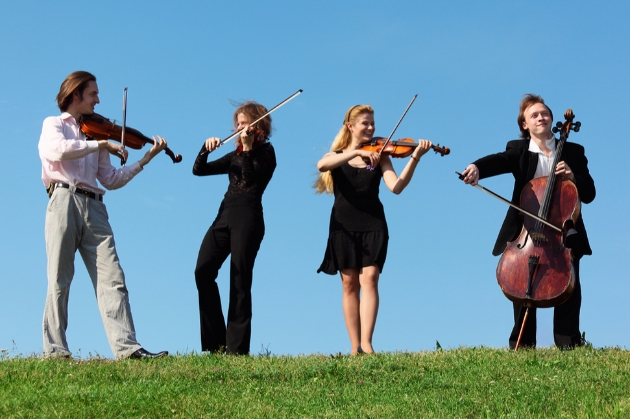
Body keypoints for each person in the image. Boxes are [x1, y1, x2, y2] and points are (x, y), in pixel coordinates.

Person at [38, 71, 169, 359]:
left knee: (113, 278)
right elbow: (58, 151)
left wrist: (144, 160)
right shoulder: (54, 125)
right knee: (59, 279)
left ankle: (127, 349)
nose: (98, 100)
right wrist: (101, 144)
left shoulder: (94, 132)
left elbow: (109, 179)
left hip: (95, 207)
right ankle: (56, 352)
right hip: (64, 200)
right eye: (93, 94)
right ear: (76, 95)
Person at [460, 94, 596, 349]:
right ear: (525, 124)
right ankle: (522, 344)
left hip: (562, 232)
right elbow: (499, 161)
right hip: (527, 229)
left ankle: (569, 342)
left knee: (569, 283)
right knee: (522, 281)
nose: (541, 117)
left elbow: (589, 194)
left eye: (544, 113)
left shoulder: (573, 151)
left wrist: (573, 176)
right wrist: (477, 167)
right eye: (534, 115)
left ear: (552, 119)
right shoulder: (519, 149)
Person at [315, 104, 432, 355]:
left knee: (370, 278)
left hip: (373, 224)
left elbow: (396, 187)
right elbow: (322, 165)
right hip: (343, 225)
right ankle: (353, 347)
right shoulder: (337, 155)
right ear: (351, 126)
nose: (371, 128)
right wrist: (355, 153)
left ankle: (366, 344)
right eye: (365, 123)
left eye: (372, 123)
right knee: (348, 284)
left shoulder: (382, 155)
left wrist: (415, 158)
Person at [193, 101, 276, 355]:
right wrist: (205, 149)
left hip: (248, 218)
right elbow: (199, 170)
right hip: (224, 216)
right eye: (237, 124)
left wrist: (249, 149)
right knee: (202, 271)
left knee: (239, 280)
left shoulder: (267, 153)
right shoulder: (235, 155)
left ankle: (237, 349)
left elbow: (251, 179)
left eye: (244, 123)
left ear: (258, 124)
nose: (239, 127)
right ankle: (217, 344)